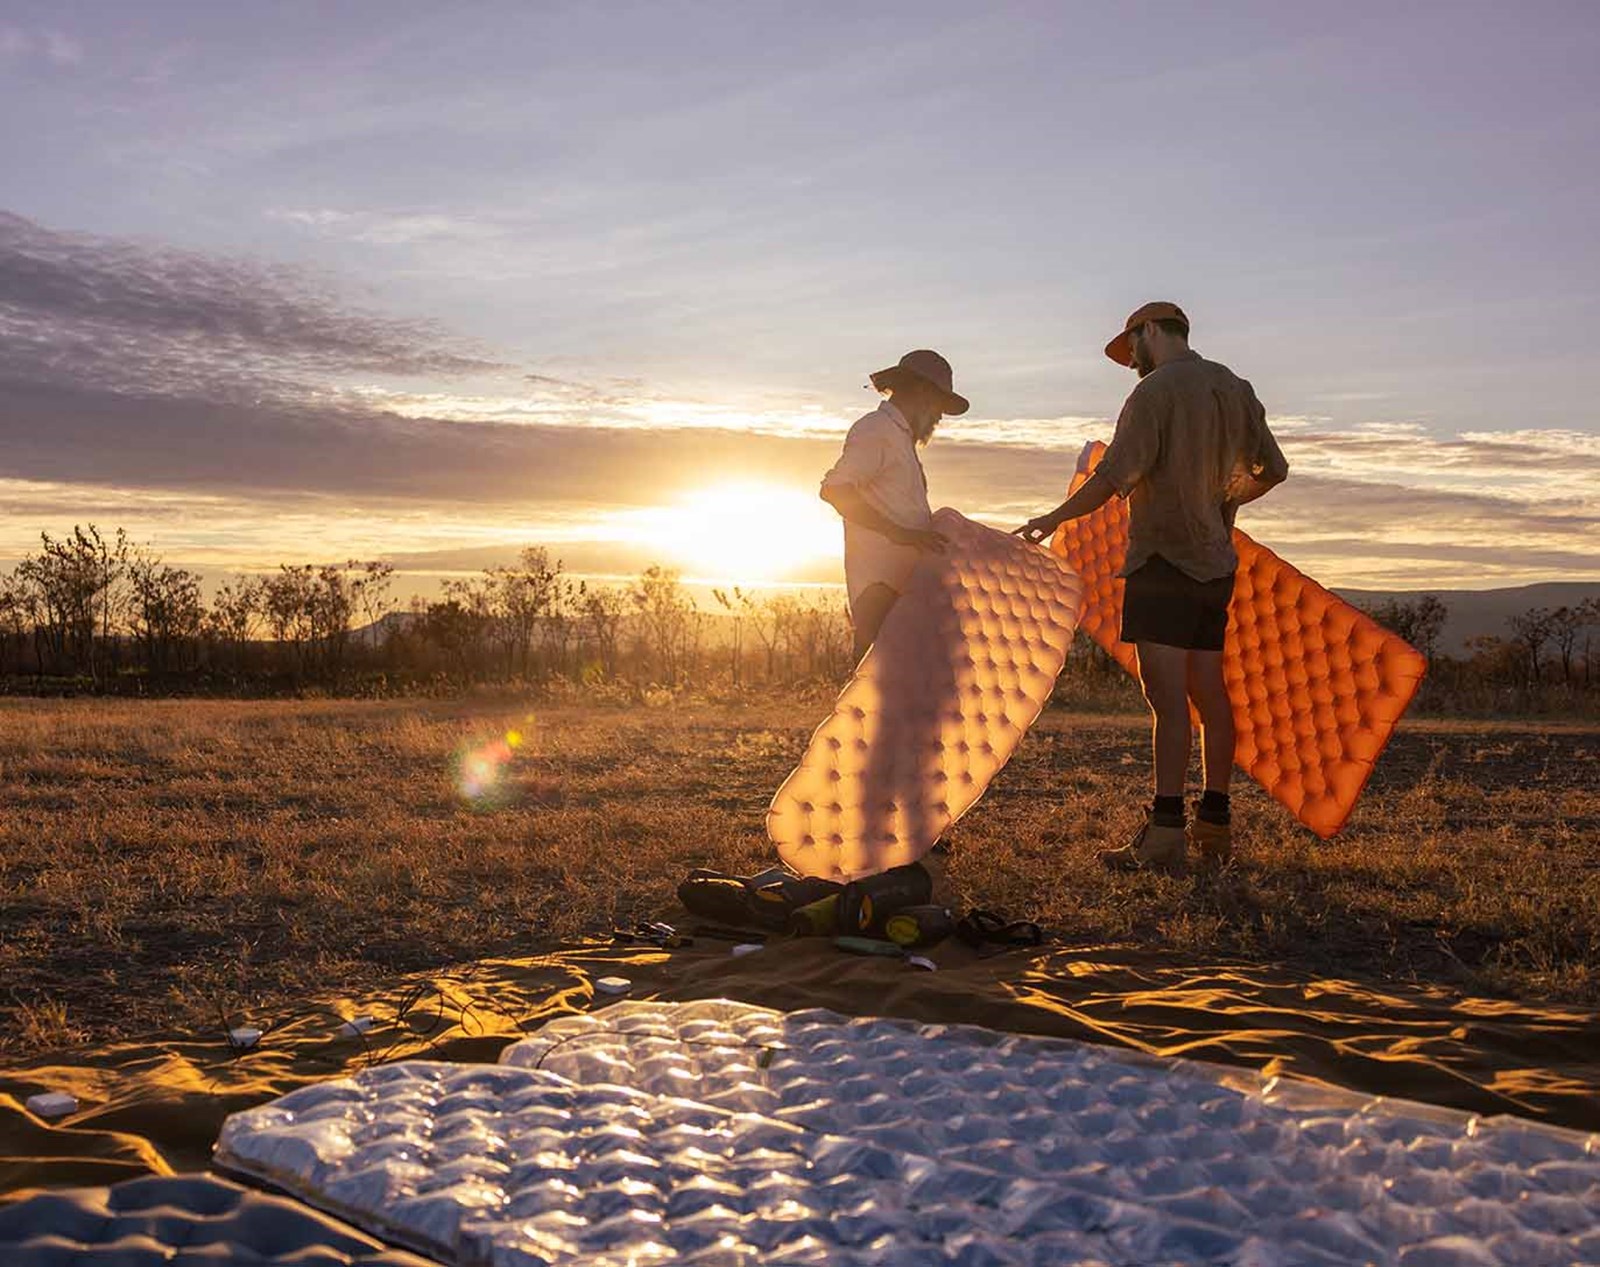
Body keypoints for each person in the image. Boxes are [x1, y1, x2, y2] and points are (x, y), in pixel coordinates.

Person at [1015, 303, 1288, 871]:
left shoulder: (1155, 393)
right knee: (1209, 692)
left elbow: (1113, 476)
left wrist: (1055, 518)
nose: (1130, 360)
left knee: (1165, 700)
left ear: (1151, 332)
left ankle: (1165, 832)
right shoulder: (1235, 387)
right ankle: (1215, 822)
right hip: (1216, 564)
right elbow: (1274, 469)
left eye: (1131, 346)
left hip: (1162, 561)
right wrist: (1228, 501)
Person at [821, 349, 968, 663]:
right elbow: (834, 490)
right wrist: (899, 533)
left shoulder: (901, 440)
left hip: (904, 587)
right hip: (880, 590)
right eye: (940, 405)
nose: (940, 416)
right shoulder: (877, 429)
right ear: (922, 392)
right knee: (875, 699)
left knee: (908, 702)